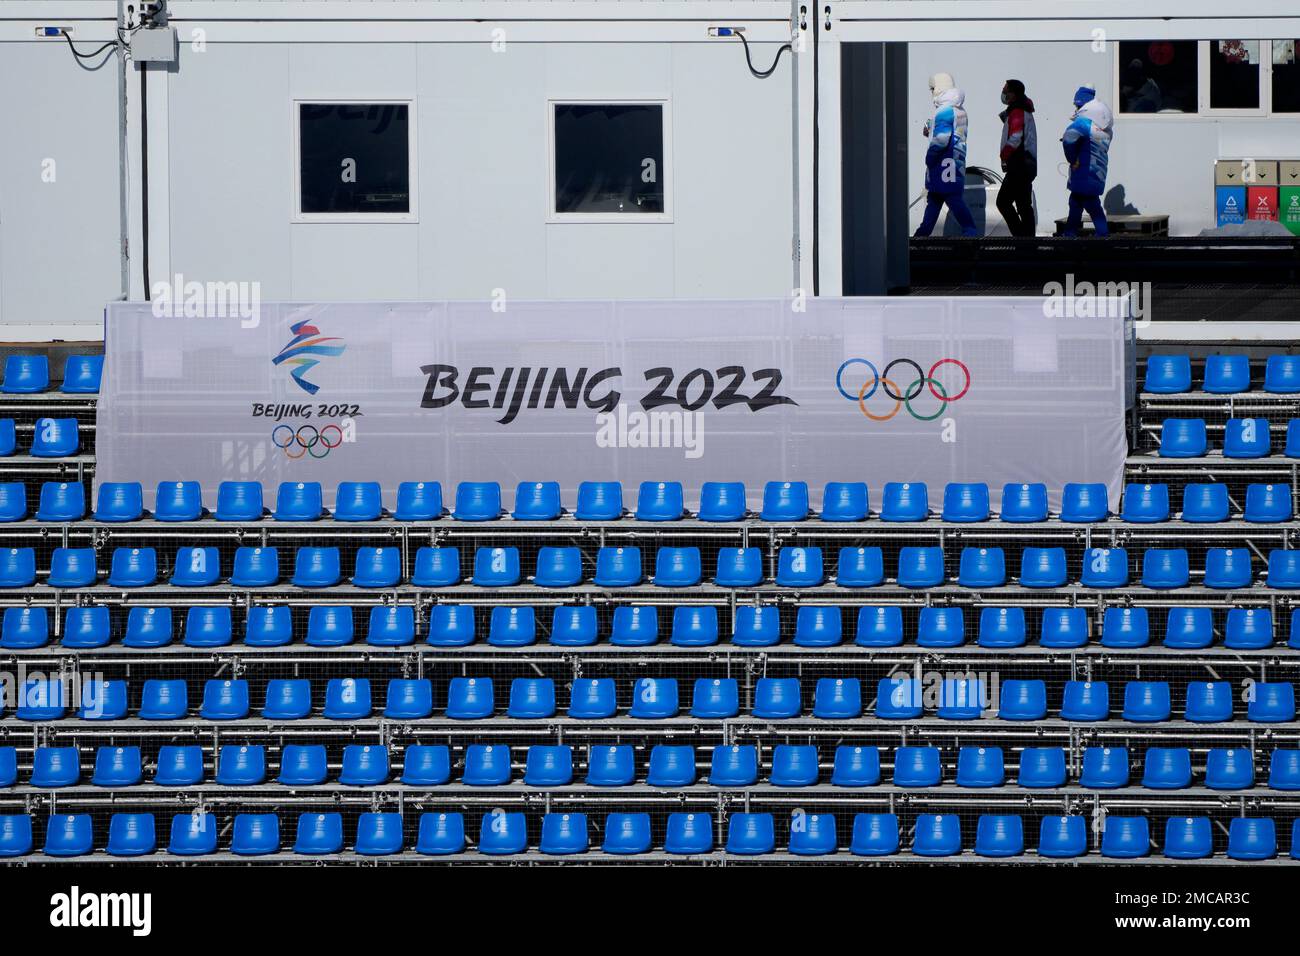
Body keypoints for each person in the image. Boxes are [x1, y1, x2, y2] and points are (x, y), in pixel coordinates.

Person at [914, 72, 977, 237]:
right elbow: (954, 132)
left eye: (933, 88)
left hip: (943, 166)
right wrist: (930, 128)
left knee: (950, 199)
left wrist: (929, 157)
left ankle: (970, 232)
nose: (932, 92)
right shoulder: (959, 110)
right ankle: (922, 234)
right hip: (954, 163)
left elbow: (941, 139)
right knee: (937, 200)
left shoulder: (944, 110)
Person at [1060, 83, 1114, 237]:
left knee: (1090, 204)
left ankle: (1101, 234)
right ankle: (1070, 233)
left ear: (1080, 103)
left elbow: (1068, 140)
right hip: (1098, 171)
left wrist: (1072, 159)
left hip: (1083, 171)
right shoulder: (1105, 127)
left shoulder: (1082, 123)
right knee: (1077, 202)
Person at [996, 79, 1037, 236]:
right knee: (1023, 205)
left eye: (1006, 91)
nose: (1003, 94)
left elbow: (1015, 138)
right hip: (1026, 164)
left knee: (1003, 202)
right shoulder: (1021, 110)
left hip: (1020, 164)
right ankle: (1027, 241)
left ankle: (1021, 238)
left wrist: (1004, 156)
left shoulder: (1018, 112)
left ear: (1013, 94)